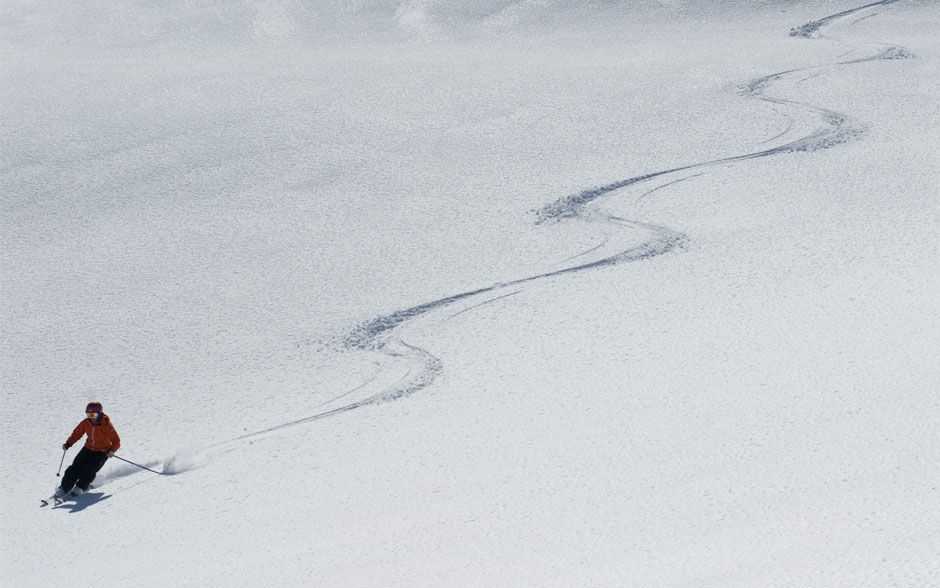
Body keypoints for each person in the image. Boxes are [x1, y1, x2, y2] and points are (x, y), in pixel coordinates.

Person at [56, 402, 120, 498]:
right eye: (89, 414)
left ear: (99, 413)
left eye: (93, 415)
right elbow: (77, 433)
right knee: (75, 466)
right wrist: (68, 443)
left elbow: (116, 440)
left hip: (102, 452)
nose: (91, 417)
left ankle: (81, 487)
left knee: (89, 470)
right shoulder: (86, 423)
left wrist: (112, 450)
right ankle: (65, 487)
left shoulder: (106, 425)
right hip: (88, 448)